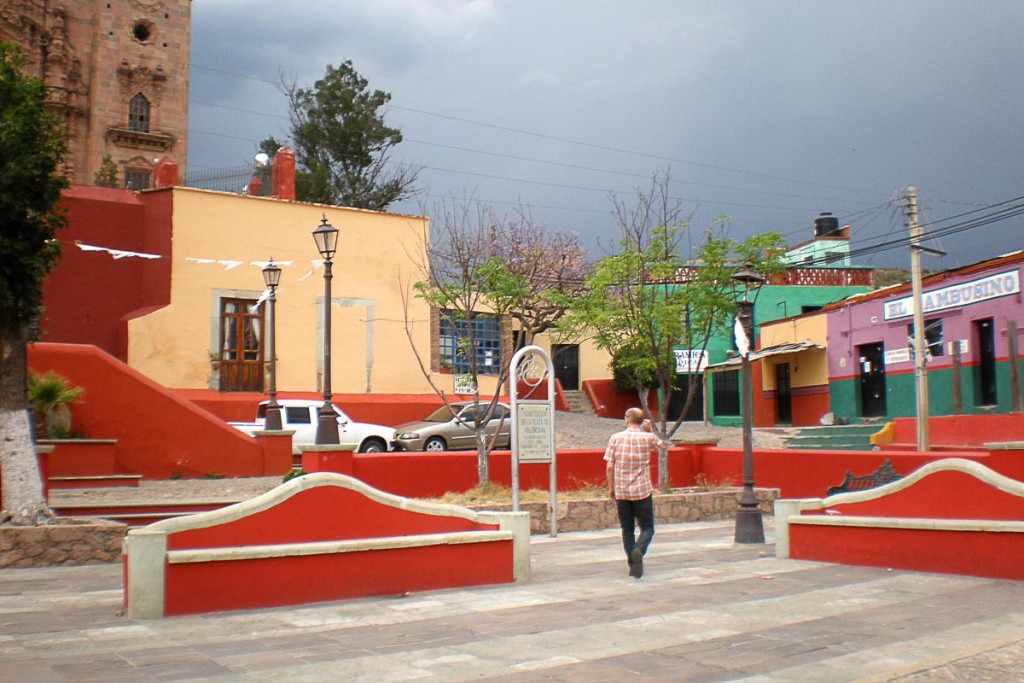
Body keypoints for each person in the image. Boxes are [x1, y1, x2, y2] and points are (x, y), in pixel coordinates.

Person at [604, 407, 661, 578]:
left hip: (622, 490)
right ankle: (639, 549)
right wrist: (651, 430)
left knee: (627, 529)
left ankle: (632, 563)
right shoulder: (647, 438)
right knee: (647, 527)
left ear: (627, 419)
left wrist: (611, 488)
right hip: (642, 490)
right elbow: (661, 447)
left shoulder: (615, 438)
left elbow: (609, 466)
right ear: (641, 421)